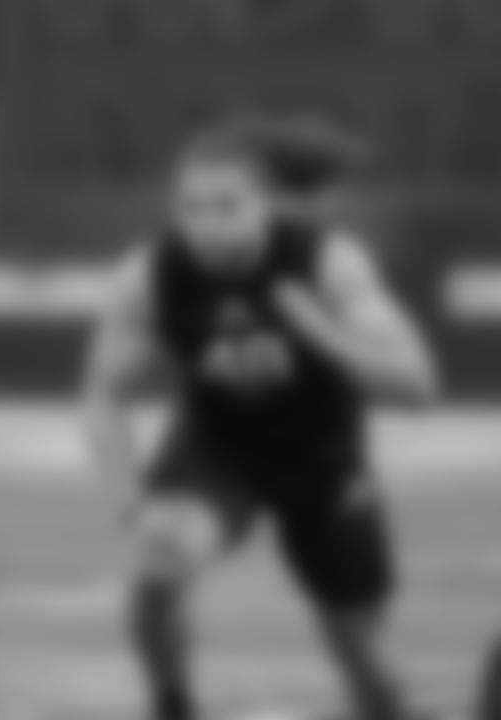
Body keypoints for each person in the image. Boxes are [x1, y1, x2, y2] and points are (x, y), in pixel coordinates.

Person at [82, 116, 438, 720]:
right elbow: (102, 391)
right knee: (159, 564)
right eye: (191, 207)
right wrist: (126, 496)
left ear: (267, 205)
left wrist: (324, 336)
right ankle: (172, 703)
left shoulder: (328, 264)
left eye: (227, 205)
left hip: (323, 462)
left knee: (366, 658)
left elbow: (419, 387)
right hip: (218, 453)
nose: (207, 223)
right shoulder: (150, 274)